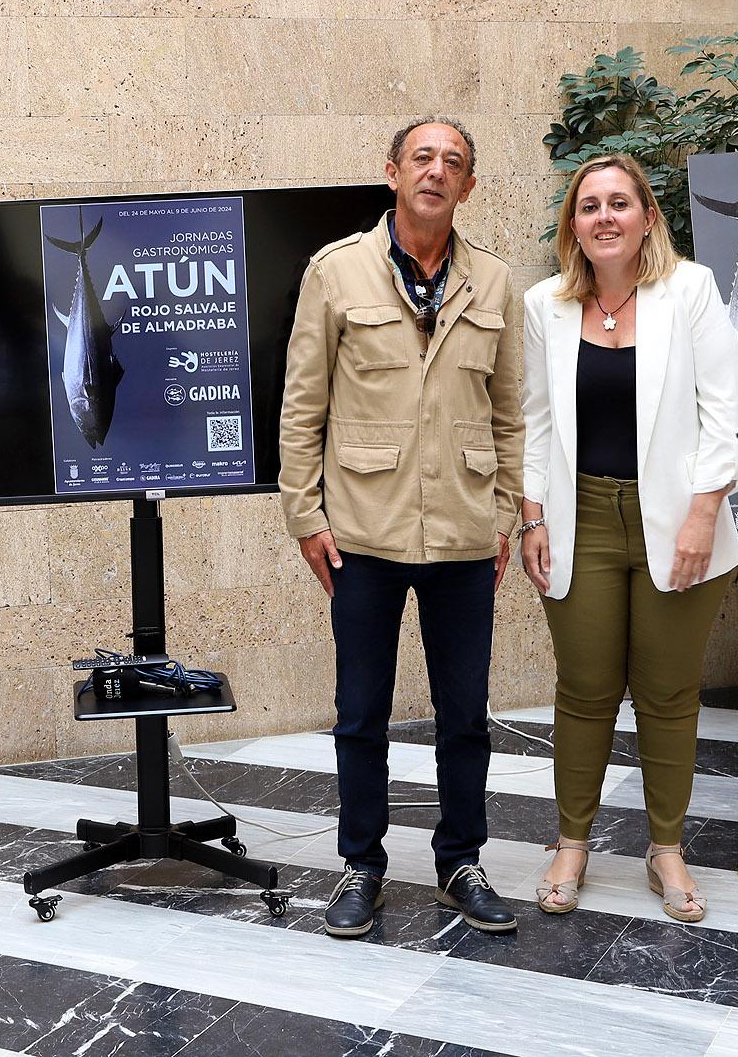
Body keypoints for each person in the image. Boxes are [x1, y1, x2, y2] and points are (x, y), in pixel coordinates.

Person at [279, 117, 523, 938]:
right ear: (391, 172)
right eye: (422, 157)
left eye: (454, 160)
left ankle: (461, 859)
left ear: (469, 186)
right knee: (362, 712)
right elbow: (301, 406)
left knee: (465, 715)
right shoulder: (335, 272)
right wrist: (305, 515)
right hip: (363, 533)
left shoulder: (494, 283)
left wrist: (504, 516)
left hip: (462, 533)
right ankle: (362, 864)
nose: (437, 170)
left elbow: (511, 414)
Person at [519, 152, 738, 923]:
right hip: (578, 520)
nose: (605, 217)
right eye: (590, 206)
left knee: (669, 691)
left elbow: (725, 412)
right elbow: (534, 422)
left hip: (681, 522)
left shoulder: (690, 291)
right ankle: (572, 843)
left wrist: (703, 515)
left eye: (620, 202)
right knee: (583, 690)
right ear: (572, 224)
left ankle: (666, 847)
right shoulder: (543, 304)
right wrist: (533, 516)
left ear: (648, 215)